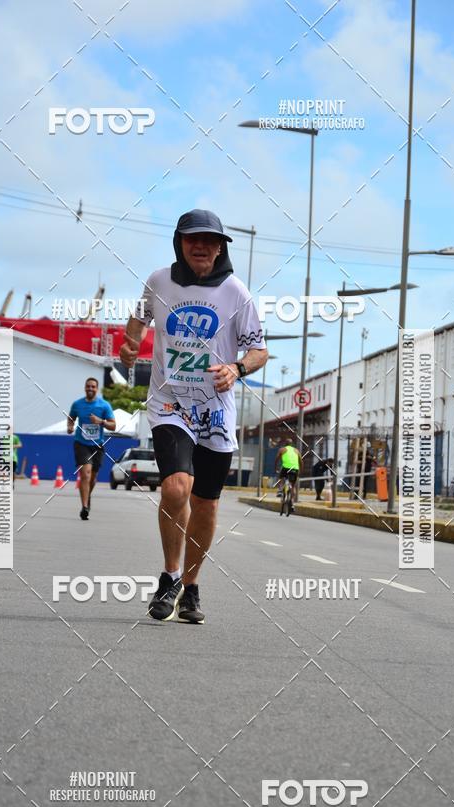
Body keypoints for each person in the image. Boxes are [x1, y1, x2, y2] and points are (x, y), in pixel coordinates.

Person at [121, 208, 268, 624]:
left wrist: (237, 368)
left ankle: (191, 585)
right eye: (192, 239)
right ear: (179, 244)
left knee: (205, 502)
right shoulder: (158, 281)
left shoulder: (236, 292)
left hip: (215, 411)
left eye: (209, 240)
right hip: (169, 404)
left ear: (220, 247)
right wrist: (130, 345)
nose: (200, 246)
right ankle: (170, 576)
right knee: (176, 488)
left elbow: (259, 351)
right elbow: (137, 321)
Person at [67, 377, 116, 520]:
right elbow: (71, 417)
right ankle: (84, 507)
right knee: (85, 474)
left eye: (93, 387)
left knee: (93, 478)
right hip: (81, 443)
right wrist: (70, 426)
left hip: (97, 445)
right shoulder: (77, 404)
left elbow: (113, 426)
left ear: (97, 389)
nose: (90, 389)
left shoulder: (104, 405)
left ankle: (87, 496)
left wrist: (101, 421)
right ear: (85, 388)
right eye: (88, 386)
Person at [274, 441, 302, 506]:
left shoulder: (282, 449)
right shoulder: (296, 450)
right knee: (293, 486)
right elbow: (301, 462)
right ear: (291, 444)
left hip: (285, 468)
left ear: (285, 444)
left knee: (281, 477)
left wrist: (275, 468)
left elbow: (276, 459)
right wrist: (300, 471)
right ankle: (292, 502)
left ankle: (280, 490)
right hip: (295, 469)